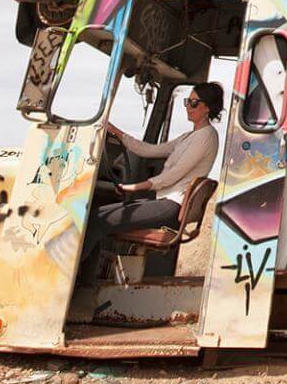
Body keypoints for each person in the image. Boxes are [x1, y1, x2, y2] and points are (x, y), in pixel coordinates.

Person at [80, 82, 223, 271]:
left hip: (171, 206)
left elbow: (172, 176)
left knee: (99, 221)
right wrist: (117, 133)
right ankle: (84, 285)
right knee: (97, 216)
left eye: (194, 103)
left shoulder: (206, 137)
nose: (188, 106)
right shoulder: (188, 137)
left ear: (208, 108)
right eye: (187, 101)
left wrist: (134, 187)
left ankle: (69, 278)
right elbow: (150, 150)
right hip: (166, 201)